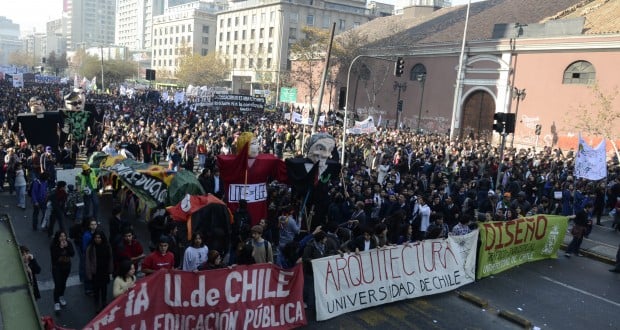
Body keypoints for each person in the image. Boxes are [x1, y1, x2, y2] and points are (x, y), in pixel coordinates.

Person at [217, 132, 288, 226]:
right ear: (244, 146)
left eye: (257, 143)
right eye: (253, 144)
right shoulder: (228, 163)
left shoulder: (268, 161)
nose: (258, 146)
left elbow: (283, 172)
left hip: (258, 209)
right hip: (237, 210)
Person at [85, 231, 113, 312]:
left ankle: (104, 302)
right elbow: (88, 262)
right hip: (95, 272)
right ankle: (97, 304)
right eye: (96, 238)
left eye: (99, 237)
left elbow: (110, 258)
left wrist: (110, 269)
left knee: (104, 288)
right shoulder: (90, 248)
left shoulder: (107, 246)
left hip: (104, 271)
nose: (97, 239)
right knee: (96, 289)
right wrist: (89, 273)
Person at [50, 230, 75, 312]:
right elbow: (54, 257)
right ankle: (56, 302)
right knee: (58, 284)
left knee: (63, 283)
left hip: (66, 267)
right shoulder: (54, 245)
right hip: (57, 267)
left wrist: (67, 247)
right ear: (58, 237)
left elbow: (72, 254)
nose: (63, 238)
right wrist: (61, 248)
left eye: (64, 236)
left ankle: (61, 296)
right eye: (61, 236)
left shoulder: (68, 243)